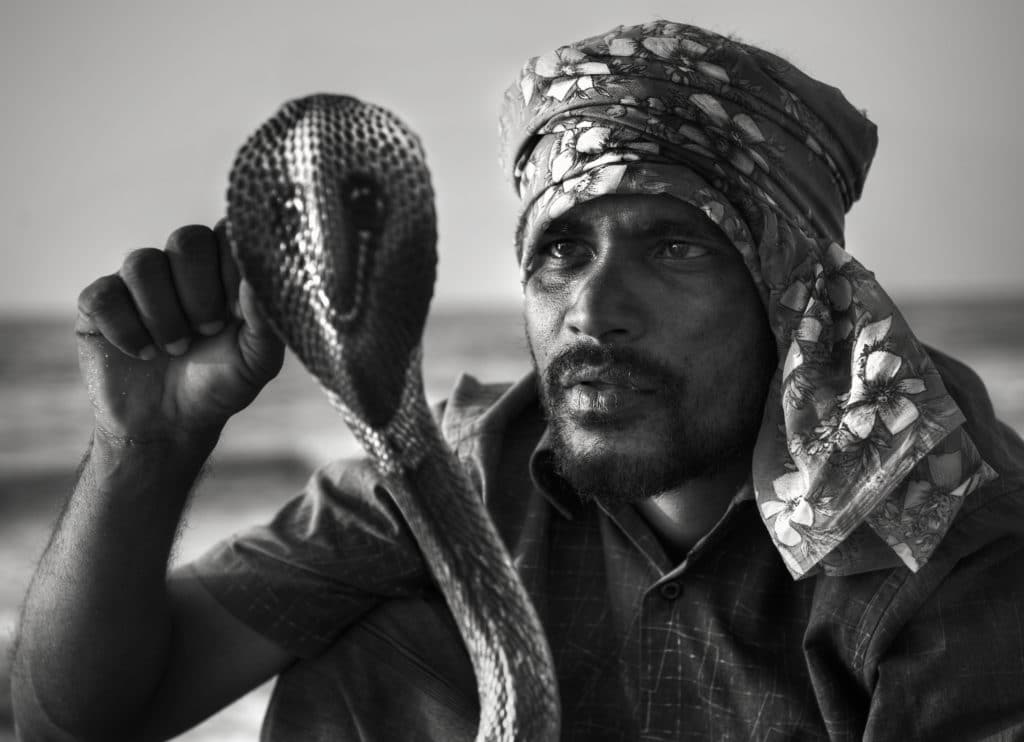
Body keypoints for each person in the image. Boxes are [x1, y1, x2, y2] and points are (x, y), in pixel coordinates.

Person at [12, 19, 1024, 741]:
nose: (593, 307)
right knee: (387, 624)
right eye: (560, 251)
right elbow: (69, 720)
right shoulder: (452, 472)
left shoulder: (945, 526)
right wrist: (145, 448)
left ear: (790, 285)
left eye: (675, 245)